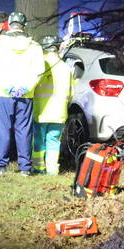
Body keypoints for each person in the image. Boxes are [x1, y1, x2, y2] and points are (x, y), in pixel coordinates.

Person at [0, 11, 45, 176]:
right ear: (24, 26)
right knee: (24, 130)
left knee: (3, 129)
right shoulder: (34, 46)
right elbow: (39, 71)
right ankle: (25, 168)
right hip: (25, 94)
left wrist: (7, 87)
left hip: (3, 93)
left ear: (8, 24)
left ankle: (1, 165)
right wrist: (27, 87)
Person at [32, 35, 75, 174]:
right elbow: (71, 93)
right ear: (57, 48)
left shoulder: (39, 65)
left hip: (41, 111)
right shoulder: (66, 68)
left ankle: (38, 167)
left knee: (39, 140)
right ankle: (52, 169)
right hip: (59, 113)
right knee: (54, 141)